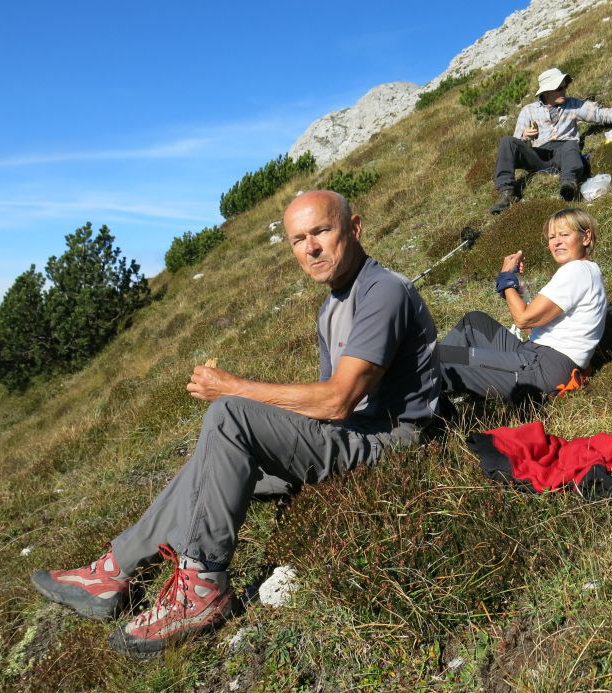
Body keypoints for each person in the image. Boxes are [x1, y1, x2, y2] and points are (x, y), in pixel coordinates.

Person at [30, 191, 441, 658]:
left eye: (322, 232)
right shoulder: (331, 306)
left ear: (355, 228)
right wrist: (265, 432)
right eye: (298, 239)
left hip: (393, 441)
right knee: (216, 452)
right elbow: (330, 410)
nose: (310, 249)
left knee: (229, 415)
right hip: (354, 433)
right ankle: (113, 572)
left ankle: (201, 586)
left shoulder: (382, 291)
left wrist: (235, 390)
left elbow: (337, 401)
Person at [439, 208, 607, 401]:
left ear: (586, 237)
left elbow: (523, 319)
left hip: (542, 369)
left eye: (564, 234)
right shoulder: (587, 271)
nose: (556, 242)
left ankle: (435, 395)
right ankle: (443, 383)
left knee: (441, 355)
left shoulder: (576, 271)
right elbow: (534, 326)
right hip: (537, 356)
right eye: (552, 237)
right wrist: (516, 289)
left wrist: (506, 279)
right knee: (473, 323)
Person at [490, 68, 612, 214]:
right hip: (538, 154)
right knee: (507, 142)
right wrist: (525, 136)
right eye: (559, 88)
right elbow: (516, 144)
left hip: (565, 152)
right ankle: (507, 193)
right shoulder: (528, 111)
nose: (564, 90)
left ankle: (568, 185)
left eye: (565, 86)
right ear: (546, 92)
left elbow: (599, 114)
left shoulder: (572, 104)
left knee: (570, 144)